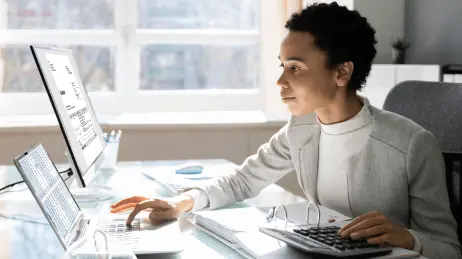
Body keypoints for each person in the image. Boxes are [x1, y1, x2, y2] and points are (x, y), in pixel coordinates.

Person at [110, 2, 461, 258]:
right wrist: (181, 202)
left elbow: (448, 248)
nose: (280, 81)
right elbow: (243, 180)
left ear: (342, 72)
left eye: (296, 68)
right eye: (283, 66)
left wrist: (407, 238)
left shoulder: (413, 145)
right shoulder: (302, 127)